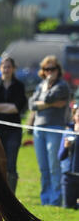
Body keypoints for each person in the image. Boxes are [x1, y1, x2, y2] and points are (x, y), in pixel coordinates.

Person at [28, 55, 70, 206]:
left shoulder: (62, 86)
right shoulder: (41, 85)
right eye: (46, 69)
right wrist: (49, 102)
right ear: (43, 71)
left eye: (52, 69)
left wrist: (45, 100)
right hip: (38, 129)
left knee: (54, 167)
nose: (49, 72)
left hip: (55, 128)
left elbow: (48, 99)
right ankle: (45, 199)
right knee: (43, 168)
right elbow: (32, 105)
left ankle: (56, 199)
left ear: (58, 70)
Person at [0, 56, 27, 193]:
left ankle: (10, 195)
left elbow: (17, 107)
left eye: (9, 67)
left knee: (11, 164)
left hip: (14, 130)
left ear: (13, 69)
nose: (6, 69)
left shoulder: (19, 86)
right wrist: (7, 106)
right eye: (4, 66)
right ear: (0, 68)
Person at [58, 104, 79, 209]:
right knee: (68, 208)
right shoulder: (67, 132)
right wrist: (66, 147)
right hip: (68, 176)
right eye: (78, 114)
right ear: (74, 116)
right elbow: (60, 157)